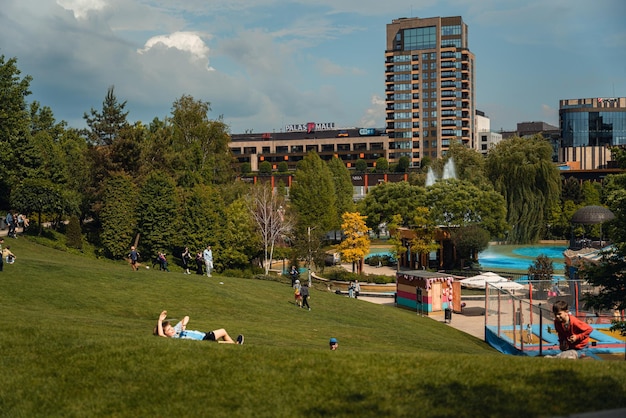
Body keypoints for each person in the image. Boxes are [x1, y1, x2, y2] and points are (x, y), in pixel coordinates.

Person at [154, 310, 243, 344]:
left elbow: (186, 317)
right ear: (166, 334)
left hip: (204, 335)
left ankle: (235, 345)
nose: (172, 329)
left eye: (171, 327)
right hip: (203, 339)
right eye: (169, 330)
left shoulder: (177, 330)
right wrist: (160, 320)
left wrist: (184, 325)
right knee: (223, 331)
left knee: (218, 342)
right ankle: (235, 345)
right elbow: (161, 334)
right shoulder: (173, 338)